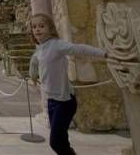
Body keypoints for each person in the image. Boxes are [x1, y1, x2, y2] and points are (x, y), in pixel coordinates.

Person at [28, 13, 108, 155]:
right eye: (34, 27)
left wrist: (104, 54)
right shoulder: (40, 48)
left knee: (56, 142)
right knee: (61, 141)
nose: (37, 29)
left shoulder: (57, 45)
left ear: (50, 28)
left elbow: (79, 48)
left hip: (65, 101)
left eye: (41, 26)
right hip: (52, 101)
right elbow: (34, 61)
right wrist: (33, 75)